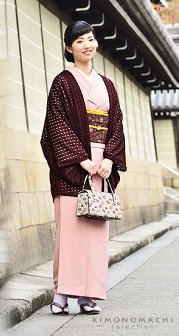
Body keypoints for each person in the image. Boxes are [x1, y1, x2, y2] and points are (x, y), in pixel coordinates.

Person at [40, 21, 126, 315]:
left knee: (95, 234)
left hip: (102, 164)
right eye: (79, 41)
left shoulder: (108, 85)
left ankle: (89, 296)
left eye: (90, 39)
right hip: (74, 167)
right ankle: (62, 294)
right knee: (70, 233)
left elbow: (116, 124)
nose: (87, 45)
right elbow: (56, 124)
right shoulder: (63, 82)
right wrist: (82, 159)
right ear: (68, 48)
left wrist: (110, 159)